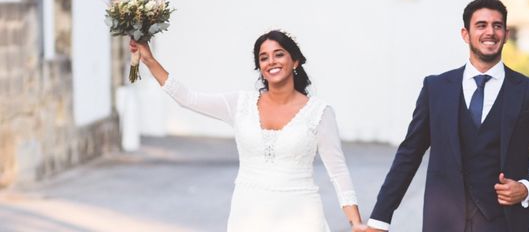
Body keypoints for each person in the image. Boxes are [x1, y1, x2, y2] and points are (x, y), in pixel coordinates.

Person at [131, 30, 366, 232]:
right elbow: (187, 98)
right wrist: (150, 60)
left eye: (279, 54)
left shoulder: (319, 112)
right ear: (260, 68)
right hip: (248, 215)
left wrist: (355, 223)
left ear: (295, 61)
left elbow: (338, 172)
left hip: (301, 216)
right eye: (264, 58)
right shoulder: (240, 104)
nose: (271, 61)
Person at [366, 0, 529, 232]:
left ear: (506, 35)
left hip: (504, 222)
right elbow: (409, 155)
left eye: (497, 26)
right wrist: (379, 220)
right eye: (481, 25)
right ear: (465, 34)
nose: (490, 32)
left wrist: (527, 187)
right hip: (443, 222)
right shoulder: (436, 88)